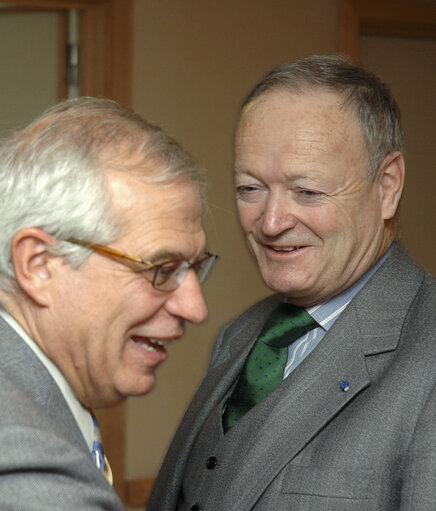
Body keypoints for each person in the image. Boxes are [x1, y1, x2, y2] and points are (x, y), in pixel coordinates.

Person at [148, 55, 436, 510]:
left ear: (387, 186)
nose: (271, 222)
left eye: (308, 191)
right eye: (250, 188)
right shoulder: (239, 336)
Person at [0, 97, 216, 509]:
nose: (195, 308)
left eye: (195, 266)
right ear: (40, 265)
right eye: (161, 268)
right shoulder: (23, 462)